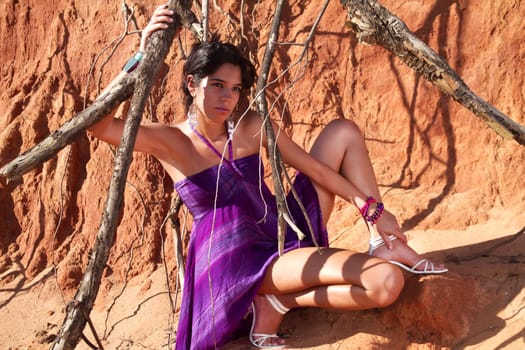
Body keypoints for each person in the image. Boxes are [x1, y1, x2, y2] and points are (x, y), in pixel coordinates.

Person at [89, 5, 447, 349]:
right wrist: (141, 59)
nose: (227, 97)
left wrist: (371, 210)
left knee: (343, 132)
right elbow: (99, 124)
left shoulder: (250, 127)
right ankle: (280, 301)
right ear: (191, 84)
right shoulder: (171, 141)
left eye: (234, 88)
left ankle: (382, 243)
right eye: (217, 85)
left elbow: (317, 170)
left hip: (280, 229)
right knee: (385, 281)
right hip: (239, 261)